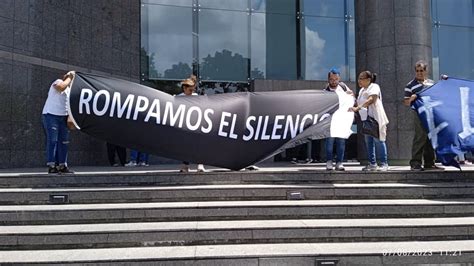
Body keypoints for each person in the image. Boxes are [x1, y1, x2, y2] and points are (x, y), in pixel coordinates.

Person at [403, 60, 444, 171]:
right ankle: (415, 163)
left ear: (426, 71)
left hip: (431, 114)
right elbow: (406, 102)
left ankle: (429, 163)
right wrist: (411, 98)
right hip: (419, 114)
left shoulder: (431, 83)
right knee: (420, 138)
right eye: (417, 71)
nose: (419, 73)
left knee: (430, 138)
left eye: (421, 70)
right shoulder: (410, 85)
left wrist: (444, 83)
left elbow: (437, 96)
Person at [349, 71, 389, 171]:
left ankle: (384, 163)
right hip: (365, 119)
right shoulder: (362, 90)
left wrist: (358, 108)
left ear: (368, 80)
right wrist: (352, 95)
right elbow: (359, 102)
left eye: (361, 78)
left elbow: (372, 99)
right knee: (368, 142)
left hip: (375, 118)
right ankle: (372, 164)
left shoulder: (374, 86)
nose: (359, 81)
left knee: (379, 140)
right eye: (358, 78)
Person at [42, 71, 75, 174]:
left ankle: (62, 165)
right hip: (51, 115)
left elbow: (70, 105)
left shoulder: (70, 90)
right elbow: (60, 87)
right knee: (53, 141)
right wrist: (70, 77)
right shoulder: (58, 81)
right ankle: (52, 165)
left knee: (64, 142)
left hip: (63, 117)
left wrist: (70, 118)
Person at [324, 68, 354, 171]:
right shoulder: (325, 91)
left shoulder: (343, 87)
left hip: (342, 121)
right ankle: (329, 162)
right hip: (331, 122)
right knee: (329, 143)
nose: (334, 81)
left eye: (336, 79)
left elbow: (351, 97)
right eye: (332, 79)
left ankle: (339, 163)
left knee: (341, 143)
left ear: (339, 79)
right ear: (328, 79)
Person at [177, 75, 206, 173]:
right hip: (184, 125)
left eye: (193, 90)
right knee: (185, 146)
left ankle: (200, 164)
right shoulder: (178, 98)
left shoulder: (196, 97)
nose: (191, 92)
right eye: (190, 90)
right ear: (184, 88)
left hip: (195, 124)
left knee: (198, 145)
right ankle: (185, 166)